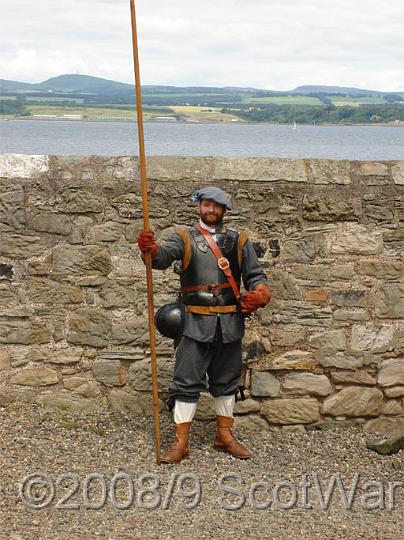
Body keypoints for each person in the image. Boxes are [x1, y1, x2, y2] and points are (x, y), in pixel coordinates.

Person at [137, 186, 271, 463]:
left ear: (224, 210)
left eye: (216, 206)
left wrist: (260, 293)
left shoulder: (239, 240)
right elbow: (161, 259)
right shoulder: (185, 238)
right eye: (206, 205)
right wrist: (150, 249)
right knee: (186, 383)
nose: (210, 210)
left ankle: (224, 436)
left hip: (229, 324)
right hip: (194, 324)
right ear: (199, 207)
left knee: (226, 382)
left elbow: (255, 275)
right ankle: (181, 442)